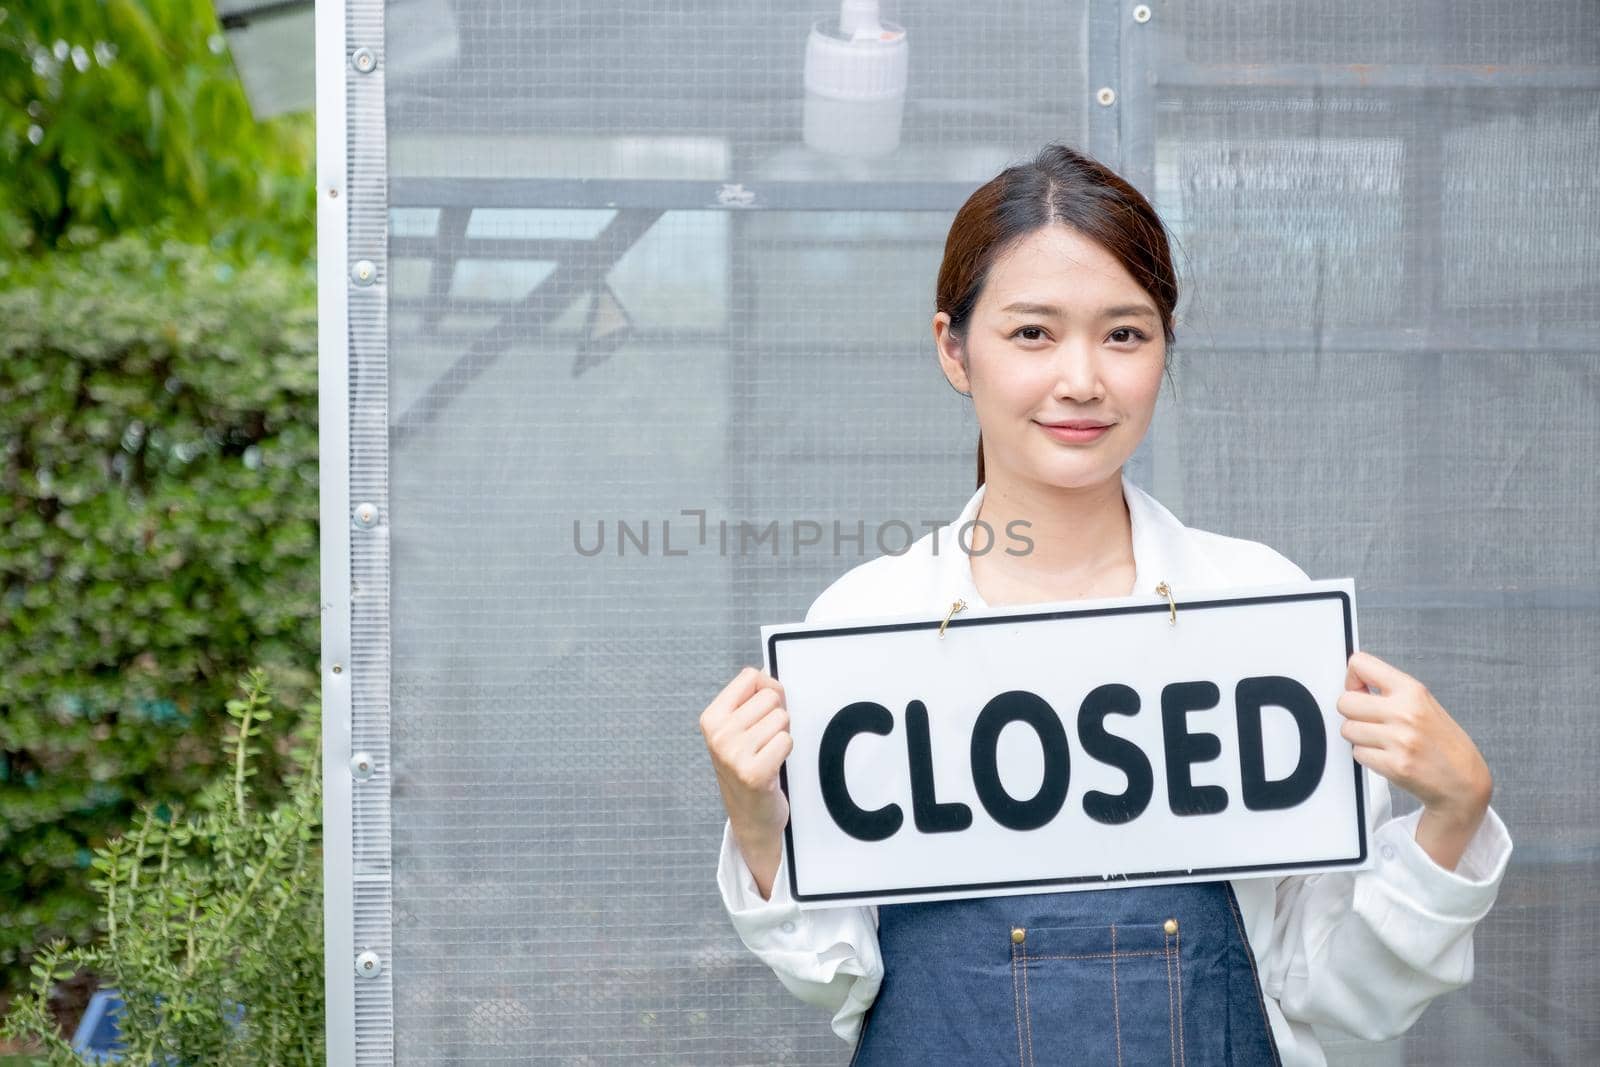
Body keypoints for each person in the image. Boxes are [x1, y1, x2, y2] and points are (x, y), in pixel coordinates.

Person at [699, 143, 1512, 1065]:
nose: (1082, 379)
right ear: (953, 349)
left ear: (1165, 347)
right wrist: (761, 825)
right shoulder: (862, 625)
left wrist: (1453, 816)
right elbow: (837, 979)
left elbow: (1336, 988)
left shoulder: (1258, 613)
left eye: (1125, 333)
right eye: (1033, 333)